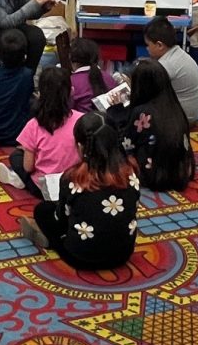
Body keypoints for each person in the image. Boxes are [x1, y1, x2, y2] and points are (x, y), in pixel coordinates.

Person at [20, 114, 142, 271]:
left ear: (80, 146)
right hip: (123, 254)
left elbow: (60, 220)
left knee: (42, 210)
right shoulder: (131, 172)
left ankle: (51, 241)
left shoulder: (74, 178)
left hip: (80, 257)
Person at [0, 64, 81, 198]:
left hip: (44, 189)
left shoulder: (34, 125)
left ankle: (18, 179)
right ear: (71, 91)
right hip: (74, 185)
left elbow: (28, 167)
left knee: (16, 156)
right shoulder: (82, 119)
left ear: (39, 94)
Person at [120, 58, 195, 191]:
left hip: (152, 174)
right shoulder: (174, 105)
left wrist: (115, 112)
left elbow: (126, 143)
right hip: (180, 171)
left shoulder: (142, 112)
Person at [143, 16, 198, 125]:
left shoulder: (167, 65)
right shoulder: (179, 54)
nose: (147, 49)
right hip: (191, 113)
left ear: (159, 45)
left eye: (148, 45)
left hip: (180, 120)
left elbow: (144, 94)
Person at [68, 37, 112, 115]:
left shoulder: (70, 82)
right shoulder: (108, 78)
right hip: (107, 121)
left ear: (71, 59)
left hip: (80, 121)